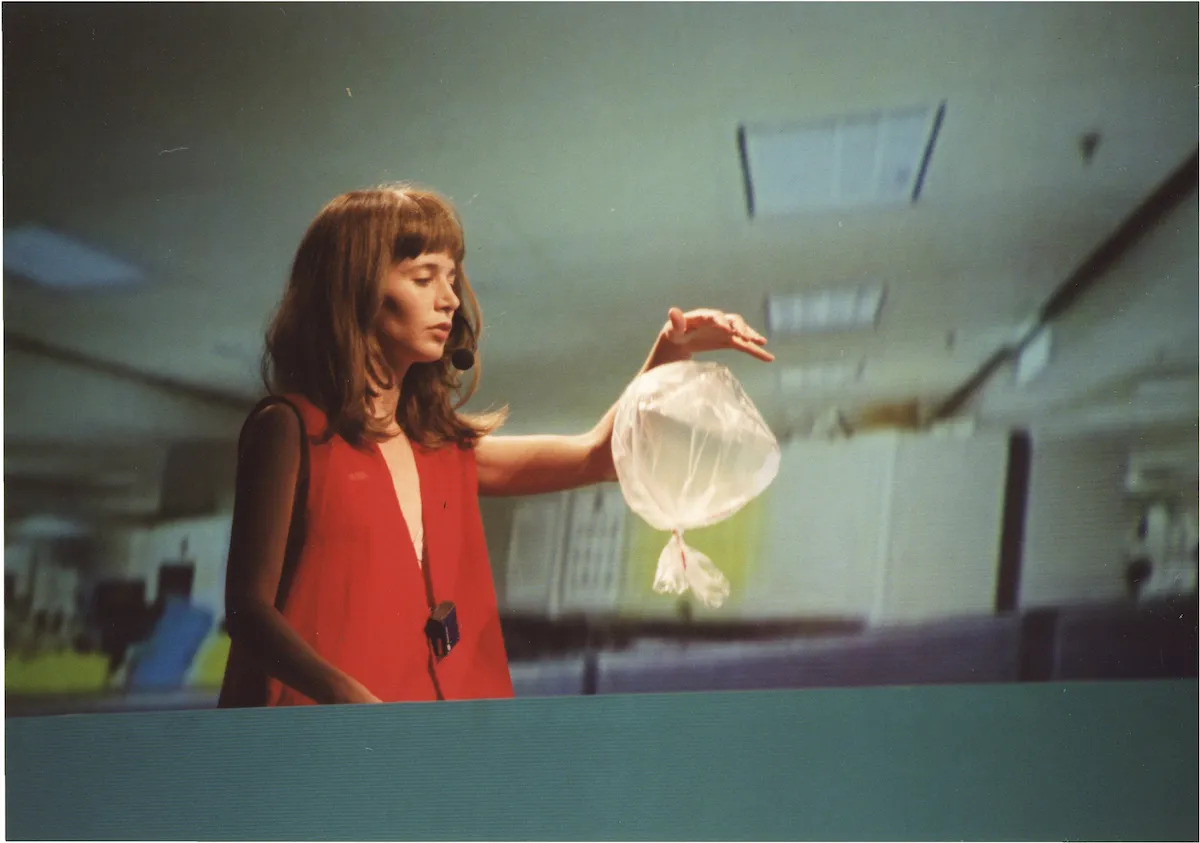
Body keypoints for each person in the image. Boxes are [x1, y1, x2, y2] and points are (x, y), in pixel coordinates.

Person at [217, 184, 773, 707]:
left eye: (452, 278)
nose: (450, 300)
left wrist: (670, 349)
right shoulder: (289, 429)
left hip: (431, 742)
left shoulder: (441, 450)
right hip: (314, 744)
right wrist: (346, 697)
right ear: (353, 292)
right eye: (423, 277)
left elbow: (601, 454)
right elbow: (249, 611)